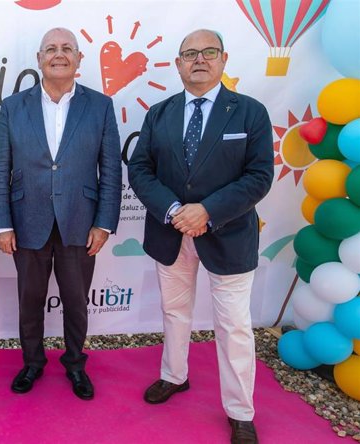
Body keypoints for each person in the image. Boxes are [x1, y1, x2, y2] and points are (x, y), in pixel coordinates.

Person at [127, 29, 274, 443]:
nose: (199, 60)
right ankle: (174, 376)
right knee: (175, 313)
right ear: (177, 64)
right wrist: (175, 211)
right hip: (170, 232)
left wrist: (207, 212)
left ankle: (240, 412)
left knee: (234, 327)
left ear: (223, 59)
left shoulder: (249, 112)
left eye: (208, 52)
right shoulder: (159, 113)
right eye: (189, 53)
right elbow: (140, 169)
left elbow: (260, 176)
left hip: (228, 236)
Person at [0, 27, 122, 401]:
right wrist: (1, 223)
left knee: (77, 301)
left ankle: (76, 364)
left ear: (79, 59)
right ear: (39, 60)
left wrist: (105, 222)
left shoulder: (100, 106)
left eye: (67, 48)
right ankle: (32, 363)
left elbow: (111, 169)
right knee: (29, 299)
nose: (58, 54)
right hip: (26, 219)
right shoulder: (13, 107)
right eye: (51, 49)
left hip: (81, 221)